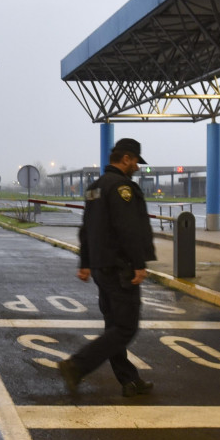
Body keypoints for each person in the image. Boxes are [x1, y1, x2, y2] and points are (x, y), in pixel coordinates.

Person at [57, 137, 156, 397]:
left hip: (102, 269)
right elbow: (128, 229)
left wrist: (85, 263)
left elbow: (86, 228)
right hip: (121, 268)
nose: (137, 167)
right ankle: (76, 366)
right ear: (126, 158)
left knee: (114, 327)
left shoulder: (95, 188)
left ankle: (129, 380)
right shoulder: (122, 188)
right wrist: (139, 264)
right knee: (125, 328)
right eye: (135, 161)